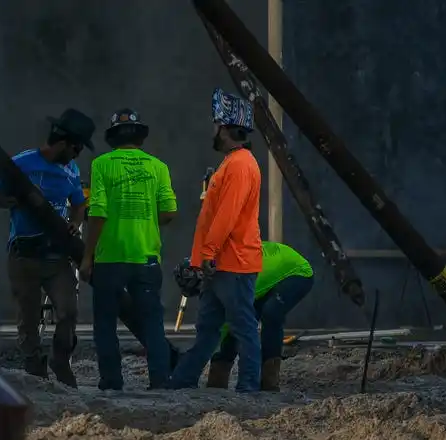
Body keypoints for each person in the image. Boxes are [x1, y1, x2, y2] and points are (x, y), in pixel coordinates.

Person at [0, 108, 95, 388]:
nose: (78, 153)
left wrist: (74, 220)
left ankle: (60, 359)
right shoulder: (22, 164)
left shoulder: (71, 170)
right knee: (29, 318)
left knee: (68, 311)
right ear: (62, 142)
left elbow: (80, 202)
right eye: (77, 147)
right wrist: (16, 201)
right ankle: (36, 369)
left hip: (57, 255)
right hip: (24, 254)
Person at [168, 88, 263, 392]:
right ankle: (183, 380)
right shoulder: (234, 163)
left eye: (215, 124)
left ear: (225, 128)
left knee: (243, 328)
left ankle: (249, 387)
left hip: (232, 264)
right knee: (208, 330)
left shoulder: (239, 166)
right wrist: (202, 260)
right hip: (220, 265)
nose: (212, 130)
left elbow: (226, 216)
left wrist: (206, 254)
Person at [79, 108, 177, 391]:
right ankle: (160, 380)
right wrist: (145, 218)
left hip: (110, 258)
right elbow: (169, 213)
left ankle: (112, 382)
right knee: (152, 323)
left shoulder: (102, 165)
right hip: (146, 257)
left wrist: (88, 256)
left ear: (112, 138)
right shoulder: (158, 167)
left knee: (106, 324)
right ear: (140, 137)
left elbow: (97, 212)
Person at [174, 241, 314, 391]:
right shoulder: (217, 267)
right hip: (266, 274)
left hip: (296, 272)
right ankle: (217, 382)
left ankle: (269, 382)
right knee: (238, 321)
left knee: (270, 315)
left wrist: (203, 350)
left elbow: (230, 320)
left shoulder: (233, 276)